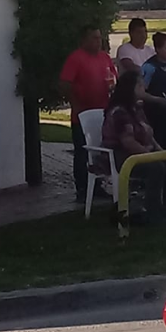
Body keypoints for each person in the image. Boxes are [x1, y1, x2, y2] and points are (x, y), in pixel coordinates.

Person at [60, 25, 117, 202]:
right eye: (94, 38)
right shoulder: (76, 58)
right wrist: (75, 104)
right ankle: (82, 188)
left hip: (103, 112)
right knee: (82, 151)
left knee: (101, 150)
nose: (98, 41)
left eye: (99, 38)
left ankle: (98, 186)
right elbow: (65, 83)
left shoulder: (105, 58)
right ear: (84, 40)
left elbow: (114, 79)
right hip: (82, 115)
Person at [101, 71, 165, 224]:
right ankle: (151, 214)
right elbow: (128, 142)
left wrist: (161, 151)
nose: (145, 88)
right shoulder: (119, 112)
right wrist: (149, 155)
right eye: (140, 85)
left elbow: (148, 133)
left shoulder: (136, 108)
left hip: (141, 151)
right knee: (156, 167)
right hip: (121, 156)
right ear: (131, 88)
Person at [141, 32, 166, 153]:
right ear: (157, 49)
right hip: (154, 114)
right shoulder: (149, 67)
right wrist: (158, 100)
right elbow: (140, 92)